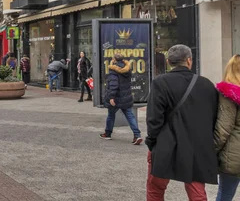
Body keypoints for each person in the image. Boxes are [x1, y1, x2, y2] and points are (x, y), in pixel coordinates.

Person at [145, 44, 218, 200]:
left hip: (166, 143)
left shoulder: (160, 83)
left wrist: (152, 143)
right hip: (196, 146)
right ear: (189, 61)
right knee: (197, 190)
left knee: (156, 188)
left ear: (168, 61)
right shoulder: (206, 85)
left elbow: (153, 119)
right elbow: (213, 117)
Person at [99, 54, 143, 145]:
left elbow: (114, 84)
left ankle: (108, 133)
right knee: (130, 116)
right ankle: (137, 135)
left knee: (111, 115)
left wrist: (111, 97)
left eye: (112, 59)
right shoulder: (127, 68)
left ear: (114, 60)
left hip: (116, 97)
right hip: (126, 96)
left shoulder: (113, 70)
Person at [214, 55, 240, 201]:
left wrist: (211, 150)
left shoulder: (229, 94)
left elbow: (223, 129)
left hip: (234, 156)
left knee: (225, 195)